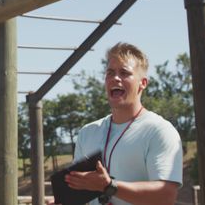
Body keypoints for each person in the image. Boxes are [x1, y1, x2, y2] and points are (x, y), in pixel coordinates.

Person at [63, 42, 183, 205]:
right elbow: (78, 194)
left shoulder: (159, 131)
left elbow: (166, 196)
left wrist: (110, 186)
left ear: (143, 83)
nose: (115, 78)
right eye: (110, 73)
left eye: (124, 73)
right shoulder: (87, 132)